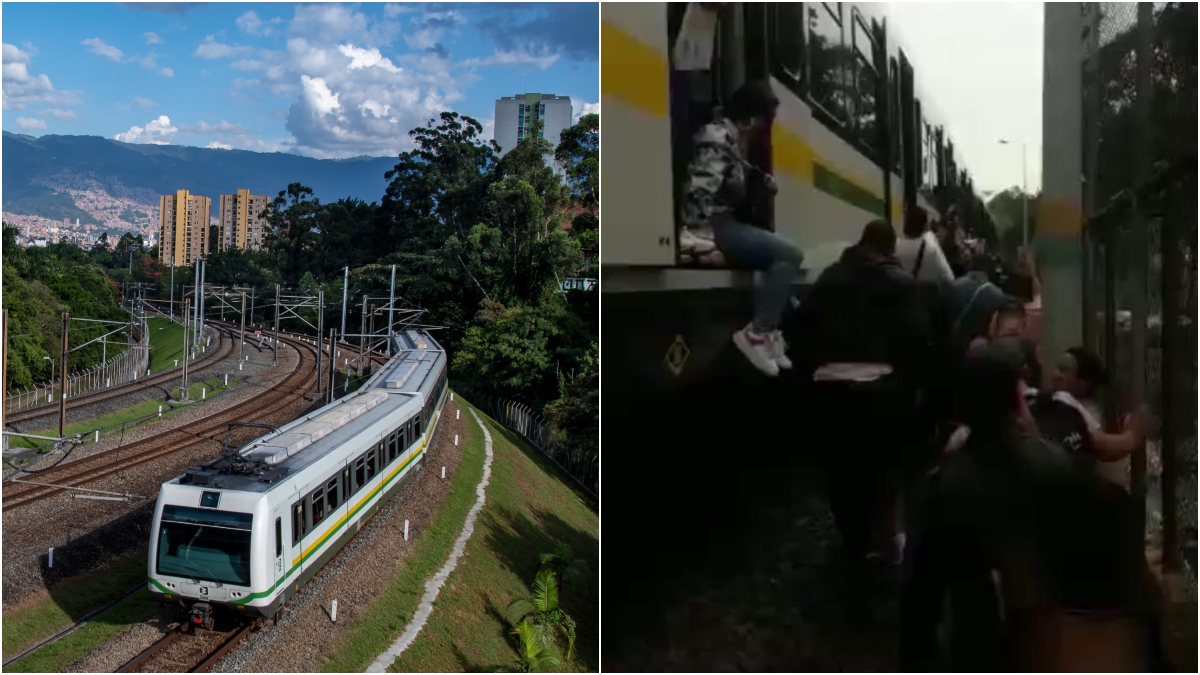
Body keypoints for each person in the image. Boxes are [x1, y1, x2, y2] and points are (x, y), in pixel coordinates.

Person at [795, 219, 932, 568]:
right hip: (881, 391)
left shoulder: (829, 278)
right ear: (889, 248)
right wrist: (912, 387)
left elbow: (803, 327)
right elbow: (917, 340)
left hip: (830, 387)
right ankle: (883, 539)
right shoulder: (902, 284)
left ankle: (852, 539)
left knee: (839, 467)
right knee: (882, 467)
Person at [681, 79, 803, 377]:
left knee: (784, 271)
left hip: (725, 222)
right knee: (789, 255)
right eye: (763, 121)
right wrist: (700, 239)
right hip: (715, 225)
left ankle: (769, 331)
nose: (763, 129)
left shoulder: (732, 140)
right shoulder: (718, 137)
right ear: (751, 118)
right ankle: (757, 334)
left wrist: (759, 183)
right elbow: (699, 191)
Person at [895, 205, 955, 288]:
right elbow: (949, 278)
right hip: (926, 295)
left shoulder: (895, 248)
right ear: (925, 225)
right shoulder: (931, 249)